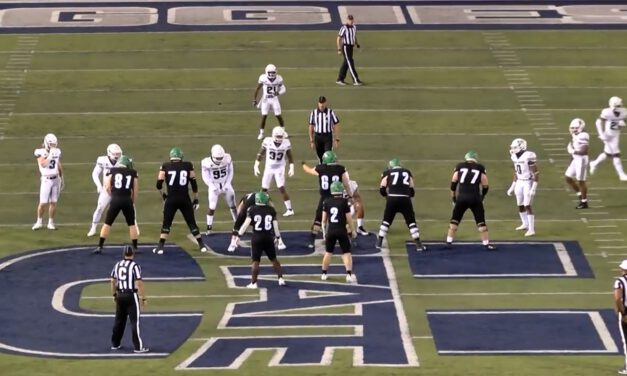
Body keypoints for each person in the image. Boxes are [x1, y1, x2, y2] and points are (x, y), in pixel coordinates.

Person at [152, 147, 207, 255]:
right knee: (191, 223)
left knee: (166, 223)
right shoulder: (188, 165)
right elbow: (194, 184)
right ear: (181, 156)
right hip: (184, 198)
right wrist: (196, 199)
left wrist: (163, 194)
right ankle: (202, 245)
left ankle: (160, 247)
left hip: (171, 199)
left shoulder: (165, 166)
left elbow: (158, 184)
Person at [302, 150, 352, 248]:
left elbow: (308, 170)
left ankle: (311, 240)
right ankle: (351, 239)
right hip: (338, 198)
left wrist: (303, 164)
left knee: (318, 219)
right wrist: (350, 195)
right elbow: (346, 183)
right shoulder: (340, 169)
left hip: (325, 198)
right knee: (343, 219)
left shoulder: (320, 168)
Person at [447, 151, 495, 250]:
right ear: (475, 159)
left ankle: (449, 242)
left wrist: (454, 198)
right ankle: (486, 244)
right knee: (481, 222)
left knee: (454, 221)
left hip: (462, 197)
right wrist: (482, 197)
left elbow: (453, 184)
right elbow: (485, 185)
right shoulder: (480, 167)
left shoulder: (459, 166)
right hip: (475, 198)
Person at [237, 192, 286, 289]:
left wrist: (239, 235)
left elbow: (246, 224)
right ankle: (281, 279)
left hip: (257, 237)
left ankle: (253, 283)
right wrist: (278, 237)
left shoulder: (252, 209)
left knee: (255, 261)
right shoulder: (271, 210)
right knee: (273, 259)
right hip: (268, 237)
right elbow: (275, 226)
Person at [376, 159, 426, 251]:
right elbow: (411, 189)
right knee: (411, 222)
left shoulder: (387, 172)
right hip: (405, 199)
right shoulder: (407, 172)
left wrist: (387, 197)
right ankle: (418, 245)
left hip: (392, 198)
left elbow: (382, 188)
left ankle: (379, 242)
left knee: (386, 220)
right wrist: (408, 197)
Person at [93, 156, 138, 254]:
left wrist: (113, 195)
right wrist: (132, 201)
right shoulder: (132, 173)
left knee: (107, 223)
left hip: (115, 199)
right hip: (127, 200)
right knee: (131, 224)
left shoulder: (112, 170)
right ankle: (135, 247)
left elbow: (107, 186)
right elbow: (135, 190)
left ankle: (100, 246)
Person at [110, 245, 149, 353]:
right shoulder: (135, 266)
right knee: (134, 322)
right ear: (133, 254)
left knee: (119, 320)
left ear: (123, 254)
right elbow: (139, 283)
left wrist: (114, 294)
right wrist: (143, 298)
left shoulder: (118, 264)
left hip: (120, 295)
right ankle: (138, 347)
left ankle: (115, 344)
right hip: (131, 295)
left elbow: (112, 280)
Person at [254, 126, 295, 216]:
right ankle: (261, 207)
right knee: (264, 189)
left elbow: (289, 156)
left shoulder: (286, 143)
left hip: (280, 167)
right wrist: (256, 165)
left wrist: (292, 167)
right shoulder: (268, 141)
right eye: (279, 137)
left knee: (281, 187)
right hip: (269, 167)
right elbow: (261, 153)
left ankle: (289, 209)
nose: (281, 138)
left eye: (281, 136)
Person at [321, 181, 357, 283]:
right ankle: (349, 275)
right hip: (341, 230)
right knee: (346, 252)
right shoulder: (344, 202)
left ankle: (324, 273)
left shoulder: (326, 201)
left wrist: (324, 232)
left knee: (328, 252)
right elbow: (349, 219)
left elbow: (324, 220)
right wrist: (353, 230)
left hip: (331, 230)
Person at [201, 144, 237, 235]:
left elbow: (231, 171)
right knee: (212, 207)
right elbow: (205, 176)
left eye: (221, 157)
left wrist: (228, 183)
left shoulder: (227, 158)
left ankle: (237, 225)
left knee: (233, 205)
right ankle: (209, 228)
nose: (220, 160)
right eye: (217, 158)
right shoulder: (206, 162)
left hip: (226, 184)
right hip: (214, 185)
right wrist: (211, 186)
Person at [507, 138, 539, 237]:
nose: (513, 149)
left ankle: (531, 229)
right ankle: (525, 224)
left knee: (527, 205)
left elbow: (536, 173)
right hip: (519, 182)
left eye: (515, 147)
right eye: (512, 147)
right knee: (520, 204)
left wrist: (534, 187)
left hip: (527, 182)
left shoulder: (528, 156)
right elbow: (517, 172)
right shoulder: (514, 157)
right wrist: (512, 186)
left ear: (522, 147)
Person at [88, 144, 122, 237]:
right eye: (115, 154)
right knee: (99, 208)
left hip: (119, 189)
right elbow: (95, 174)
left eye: (118, 154)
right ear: (109, 153)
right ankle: (93, 228)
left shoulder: (123, 160)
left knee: (130, 208)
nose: (117, 156)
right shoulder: (102, 160)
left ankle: (134, 227)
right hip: (106, 190)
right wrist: (98, 185)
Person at [590, 96, 627, 181]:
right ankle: (621, 174)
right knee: (616, 154)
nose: (619, 107)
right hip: (608, 135)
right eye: (617, 106)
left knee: (607, 154)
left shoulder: (624, 112)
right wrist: (601, 134)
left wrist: (624, 122)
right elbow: (598, 122)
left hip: (616, 135)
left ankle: (594, 163)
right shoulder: (607, 112)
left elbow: (624, 120)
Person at [32, 133, 63, 231]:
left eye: (54, 144)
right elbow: (43, 164)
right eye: (51, 144)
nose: (53, 146)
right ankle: (39, 222)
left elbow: (58, 163)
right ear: (46, 143)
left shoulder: (57, 151)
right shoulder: (39, 152)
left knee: (53, 202)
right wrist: (50, 156)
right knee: (43, 202)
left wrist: (62, 178)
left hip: (55, 179)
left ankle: (50, 222)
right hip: (46, 180)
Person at [253, 64, 286, 140]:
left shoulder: (278, 78)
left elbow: (283, 89)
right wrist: (254, 99)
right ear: (266, 72)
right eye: (270, 72)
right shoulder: (263, 78)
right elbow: (258, 88)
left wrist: (278, 93)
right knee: (264, 116)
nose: (271, 74)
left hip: (274, 99)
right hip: (266, 99)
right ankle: (261, 133)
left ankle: (283, 131)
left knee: (278, 115)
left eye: (273, 72)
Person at [565, 118, 590, 209]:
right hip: (576, 159)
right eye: (572, 128)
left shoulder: (583, 135)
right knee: (568, 177)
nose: (573, 129)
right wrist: (571, 160)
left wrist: (573, 152)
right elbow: (574, 150)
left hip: (582, 159)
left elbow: (584, 150)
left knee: (581, 180)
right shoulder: (575, 135)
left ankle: (584, 202)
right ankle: (580, 195)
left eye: (576, 128)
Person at [308, 96, 341, 163]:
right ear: (318, 103)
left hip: (327, 137)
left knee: (328, 155)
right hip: (318, 137)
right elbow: (311, 126)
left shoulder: (331, 112)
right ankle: (322, 169)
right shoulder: (313, 113)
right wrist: (311, 140)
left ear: (326, 103)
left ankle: (328, 170)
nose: (321, 105)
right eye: (320, 103)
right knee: (320, 157)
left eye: (323, 103)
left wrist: (337, 139)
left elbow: (336, 124)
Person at [336, 14, 362, 86]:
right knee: (350, 62)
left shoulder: (354, 27)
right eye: (349, 20)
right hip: (345, 47)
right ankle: (355, 80)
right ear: (347, 20)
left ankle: (340, 79)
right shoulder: (344, 28)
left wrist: (357, 44)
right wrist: (339, 49)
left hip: (351, 47)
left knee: (346, 63)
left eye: (351, 20)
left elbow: (354, 36)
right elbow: (338, 38)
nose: (350, 21)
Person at [614, 259, 627, 375]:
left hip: (626, 311)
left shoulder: (620, 281)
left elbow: (618, 298)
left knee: (626, 340)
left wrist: (623, 313)